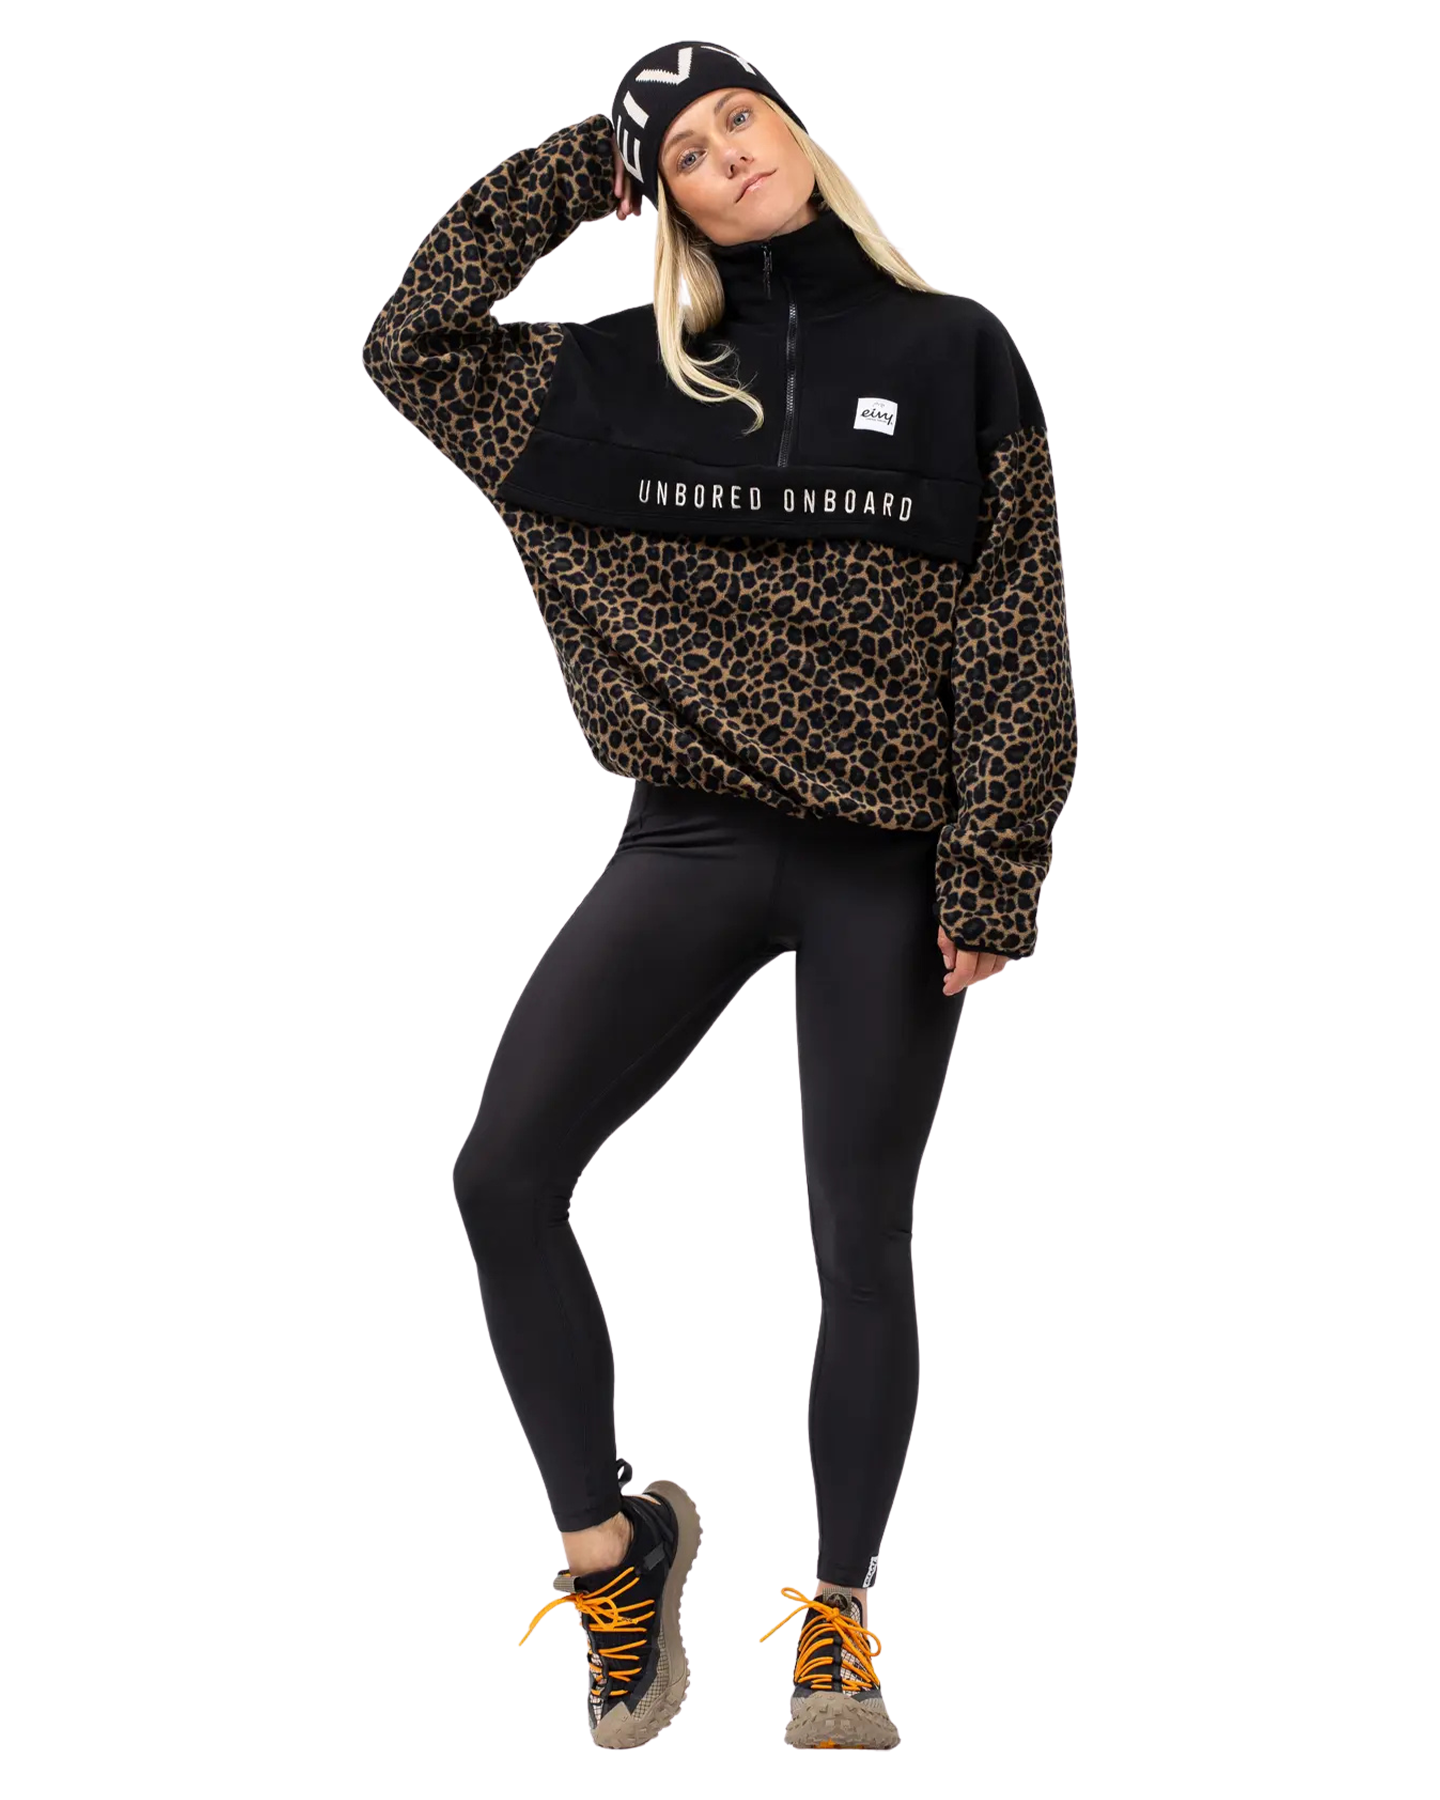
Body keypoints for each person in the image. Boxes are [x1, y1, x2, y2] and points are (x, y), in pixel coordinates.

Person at [362, 41, 1078, 1752]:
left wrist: (990, 870)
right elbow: (409, 343)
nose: (728, 151)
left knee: (858, 1238)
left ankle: (837, 1608)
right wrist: (581, 163)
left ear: (796, 131)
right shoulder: (602, 382)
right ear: (656, 195)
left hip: (889, 859)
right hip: (687, 840)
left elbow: (1015, 627)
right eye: (683, 147)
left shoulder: (956, 350)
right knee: (498, 1177)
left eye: (739, 113)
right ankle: (614, 1547)